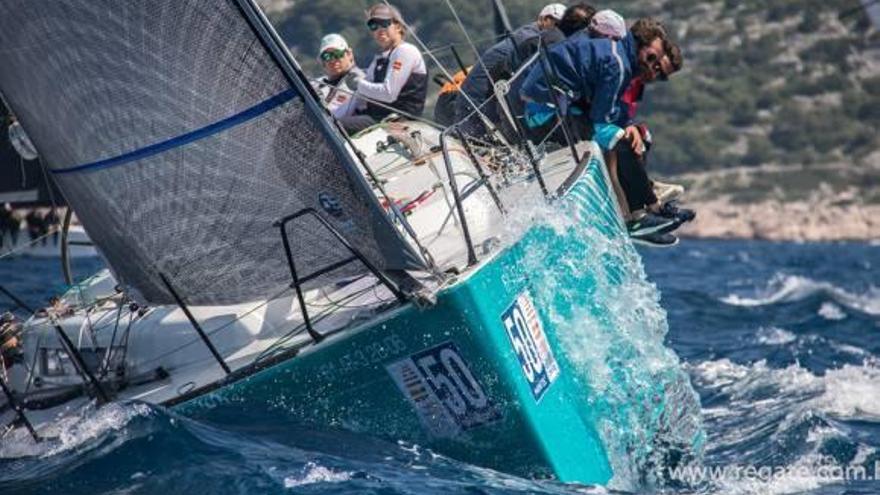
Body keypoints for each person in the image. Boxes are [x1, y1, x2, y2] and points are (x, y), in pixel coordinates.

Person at [520, 18, 681, 245]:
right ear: (638, 45)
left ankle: (645, 213)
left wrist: (628, 128)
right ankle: (643, 213)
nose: (652, 66)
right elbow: (601, 119)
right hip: (545, 117)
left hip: (555, 109)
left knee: (629, 138)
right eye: (651, 57)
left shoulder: (618, 56)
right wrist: (624, 132)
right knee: (620, 142)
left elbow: (611, 109)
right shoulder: (617, 63)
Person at [450, 3, 574, 138]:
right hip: (479, 97)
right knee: (474, 139)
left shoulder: (531, 35)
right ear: (543, 19)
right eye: (555, 23)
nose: (558, 30)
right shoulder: (532, 39)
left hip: (485, 93)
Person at [338, 4, 428, 135]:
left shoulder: (405, 51)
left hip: (396, 120)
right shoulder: (380, 59)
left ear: (397, 26)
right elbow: (361, 94)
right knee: (331, 122)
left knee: (337, 125)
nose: (379, 30)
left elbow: (388, 93)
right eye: (373, 26)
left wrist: (359, 84)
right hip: (376, 116)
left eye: (384, 23)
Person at [312, 34, 365, 119]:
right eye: (327, 56)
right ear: (322, 62)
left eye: (337, 54)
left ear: (349, 54)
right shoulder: (314, 84)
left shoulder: (361, 80)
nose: (332, 60)